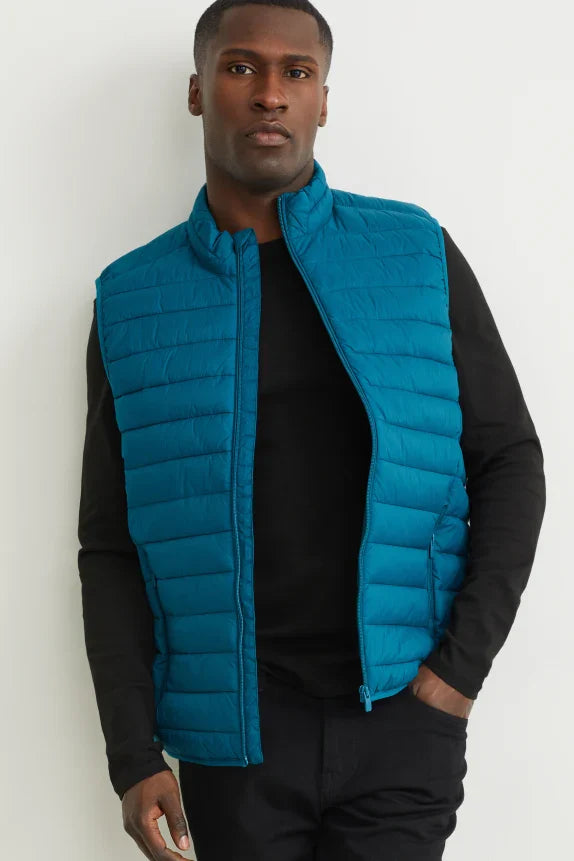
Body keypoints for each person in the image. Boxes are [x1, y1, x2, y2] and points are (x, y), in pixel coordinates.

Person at [77, 1, 546, 858]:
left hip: (401, 716)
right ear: (197, 90)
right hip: (234, 738)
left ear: (323, 100)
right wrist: (132, 753)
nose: (270, 94)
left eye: (297, 72)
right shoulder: (132, 301)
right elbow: (109, 545)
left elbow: (510, 458)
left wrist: (455, 675)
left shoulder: (414, 254)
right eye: (240, 67)